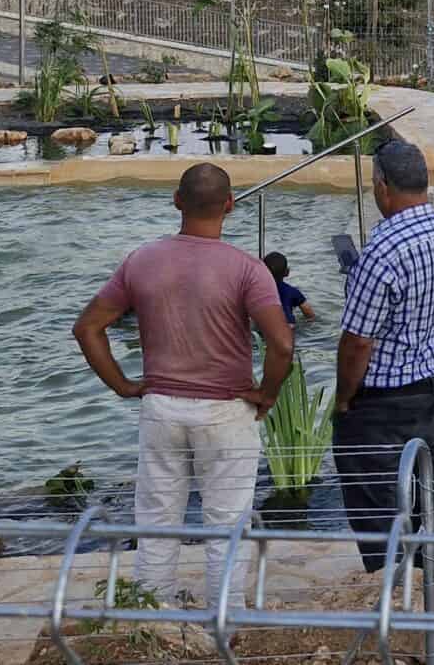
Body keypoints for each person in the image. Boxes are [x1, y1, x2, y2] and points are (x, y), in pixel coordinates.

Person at [72, 163, 295, 604]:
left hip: (161, 407)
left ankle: (152, 618)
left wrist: (122, 385)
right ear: (230, 205)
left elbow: (87, 329)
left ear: (177, 200)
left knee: (156, 521)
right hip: (226, 410)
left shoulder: (142, 259)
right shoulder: (247, 269)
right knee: (227, 523)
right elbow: (282, 345)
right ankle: (225, 622)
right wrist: (266, 394)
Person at [335, 140, 434, 574]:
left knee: (375, 490)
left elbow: (358, 341)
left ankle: (391, 589)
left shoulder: (380, 252)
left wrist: (343, 398)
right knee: (429, 485)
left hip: (383, 400)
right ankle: (433, 578)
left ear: (381, 187)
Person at [265, 252, 319, 323]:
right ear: (287, 272)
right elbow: (310, 315)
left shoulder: (257, 291)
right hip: (289, 326)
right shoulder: (293, 292)